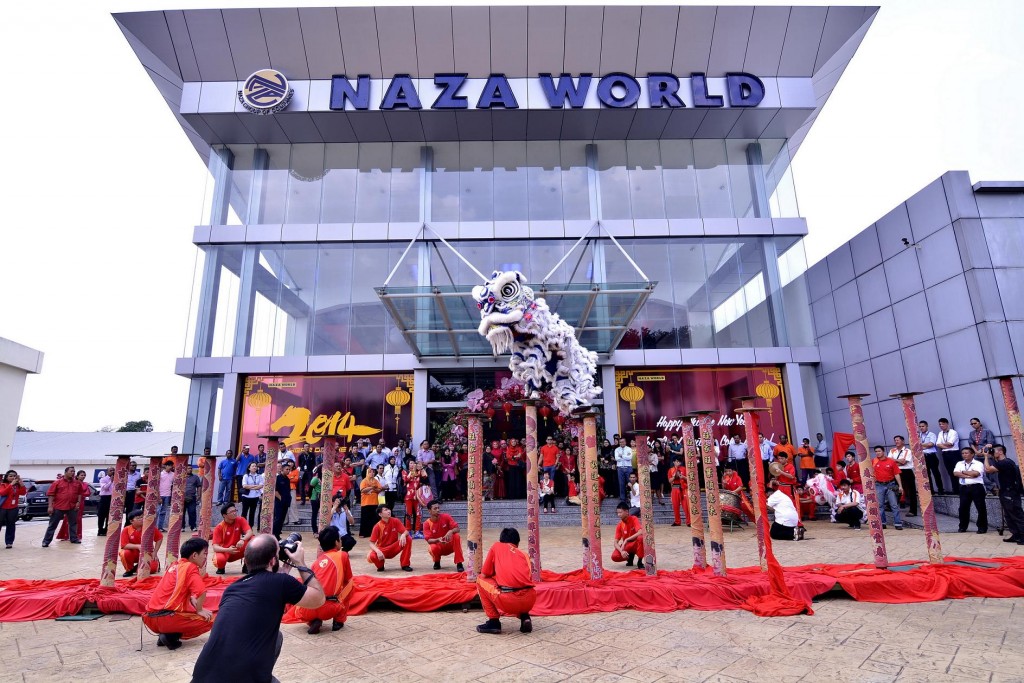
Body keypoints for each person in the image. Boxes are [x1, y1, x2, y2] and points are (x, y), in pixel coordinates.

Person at [191, 534, 325, 683]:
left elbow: (261, 595)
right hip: (241, 677)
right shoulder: (280, 582)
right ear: (273, 560)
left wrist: (279, 581)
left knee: (276, 637)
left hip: (202, 676)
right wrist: (300, 563)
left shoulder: (232, 588)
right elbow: (319, 598)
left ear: (247, 561)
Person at [142, 537, 213, 650]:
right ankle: (170, 635)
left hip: (150, 619)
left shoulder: (174, 565)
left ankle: (166, 634)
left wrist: (191, 598)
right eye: (204, 553)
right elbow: (202, 592)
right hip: (168, 619)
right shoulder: (190, 567)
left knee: (188, 611)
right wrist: (200, 610)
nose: (205, 557)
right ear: (194, 555)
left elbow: (177, 587)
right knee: (212, 618)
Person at [292, 525, 353, 634]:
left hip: (307, 609)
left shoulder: (316, 562)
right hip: (330, 608)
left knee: (301, 607)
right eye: (339, 538)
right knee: (351, 585)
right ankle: (338, 621)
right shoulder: (342, 555)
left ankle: (313, 621)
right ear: (336, 542)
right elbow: (348, 580)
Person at [476, 528, 536, 635]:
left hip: (508, 601)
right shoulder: (524, 555)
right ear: (517, 543)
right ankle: (525, 617)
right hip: (530, 600)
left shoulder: (496, 546)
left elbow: (485, 574)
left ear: (501, 540)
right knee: (520, 586)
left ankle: (493, 621)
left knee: (480, 579)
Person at [984, 445, 1024, 544]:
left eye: (994, 451)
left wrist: (985, 456)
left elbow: (988, 469)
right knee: (1008, 515)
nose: (992, 453)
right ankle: (1016, 535)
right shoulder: (1004, 462)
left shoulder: (1005, 463)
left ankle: (1022, 536)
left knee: (1016, 514)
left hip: (1010, 492)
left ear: (1001, 452)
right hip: (1006, 491)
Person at [42, 466, 82, 547]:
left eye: (74, 471)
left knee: (73, 523)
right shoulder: (57, 482)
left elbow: (80, 493)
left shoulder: (77, 483)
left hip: (72, 506)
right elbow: (51, 494)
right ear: (66, 472)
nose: (73, 473)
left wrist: (78, 502)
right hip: (59, 506)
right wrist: (50, 506)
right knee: (53, 524)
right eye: (71, 471)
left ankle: (74, 538)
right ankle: (46, 541)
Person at [367, 505, 413, 572]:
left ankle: (405, 564)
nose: (389, 511)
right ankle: (380, 565)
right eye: (385, 510)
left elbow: (406, 531)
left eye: (389, 509)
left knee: (408, 538)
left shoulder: (395, 521)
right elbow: (371, 543)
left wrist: (403, 534)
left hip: (394, 547)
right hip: (383, 550)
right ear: (380, 514)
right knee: (372, 556)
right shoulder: (377, 526)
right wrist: (378, 551)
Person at [422, 500, 465, 571]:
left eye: (438, 508)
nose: (438, 510)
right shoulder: (426, 524)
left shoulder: (446, 517)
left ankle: (459, 563)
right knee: (432, 547)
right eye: (435, 509)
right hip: (439, 546)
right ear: (429, 511)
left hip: (450, 544)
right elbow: (429, 540)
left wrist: (451, 531)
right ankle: (437, 561)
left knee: (456, 536)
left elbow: (457, 529)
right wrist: (438, 540)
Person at [211, 503, 254, 574]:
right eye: (231, 512)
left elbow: (249, 532)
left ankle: (246, 566)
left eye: (235, 510)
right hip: (225, 551)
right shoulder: (219, 527)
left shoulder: (240, 520)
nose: (234, 513)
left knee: (254, 540)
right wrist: (227, 550)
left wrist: (242, 539)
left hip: (237, 548)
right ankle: (221, 567)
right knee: (219, 560)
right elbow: (215, 547)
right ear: (224, 515)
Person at [119, 509, 164, 576]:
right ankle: (129, 570)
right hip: (133, 553)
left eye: (142, 517)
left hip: (148, 553)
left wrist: (155, 552)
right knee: (125, 553)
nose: (141, 519)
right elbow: (124, 545)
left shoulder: (149, 528)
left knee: (150, 570)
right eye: (138, 518)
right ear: (131, 521)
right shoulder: (126, 530)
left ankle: (138, 567)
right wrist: (138, 546)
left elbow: (159, 538)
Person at [954, 446, 987, 534]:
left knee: (980, 508)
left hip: (976, 487)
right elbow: (956, 473)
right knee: (963, 508)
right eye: (963, 453)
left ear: (972, 454)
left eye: (966, 453)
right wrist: (969, 474)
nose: (964, 455)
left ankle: (982, 527)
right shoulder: (959, 463)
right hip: (964, 487)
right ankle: (962, 526)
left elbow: (976, 474)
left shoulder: (978, 463)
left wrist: (963, 472)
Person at [873, 445, 904, 530]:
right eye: (876, 451)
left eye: (879, 451)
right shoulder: (874, 461)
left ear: (883, 452)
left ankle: (898, 523)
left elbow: (897, 474)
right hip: (879, 485)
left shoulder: (891, 461)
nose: (877, 453)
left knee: (894, 505)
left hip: (891, 484)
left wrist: (900, 486)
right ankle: (883, 523)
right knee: (880, 505)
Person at [56, 470, 89, 541]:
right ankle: (65, 535)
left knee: (78, 519)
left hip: (81, 503)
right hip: (72, 502)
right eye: (81, 475)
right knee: (68, 518)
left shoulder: (85, 484)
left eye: (84, 475)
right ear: (77, 476)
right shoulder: (74, 483)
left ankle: (76, 535)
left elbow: (87, 493)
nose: (83, 476)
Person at [889, 435, 917, 517]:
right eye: (895, 440)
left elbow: (904, 462)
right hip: (896, 471)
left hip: (907, 471)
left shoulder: (907, 451)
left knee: (911, 491)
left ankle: (913, 510)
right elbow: (889, 461)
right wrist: (898, 461)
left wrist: (895, 461)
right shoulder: (892, 450)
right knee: (894, 489)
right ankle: (892, 507)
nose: (896, 442)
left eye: (898, 440)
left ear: (903, 441)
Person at [611, 502, 645, 568]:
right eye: (617, 513)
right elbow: (615, 543)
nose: (618, 515)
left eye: (620, 512)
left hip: (636, 543)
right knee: (614, 556)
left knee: (641, 538)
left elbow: (641, 532)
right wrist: (621, 551)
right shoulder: (619, 525)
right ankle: (630, 557)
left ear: (626, 512)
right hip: (627, 545)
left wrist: (626, 539)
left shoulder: (634, 518)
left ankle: (640, 561)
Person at [0, 470, 28, 548]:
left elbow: (23, 492)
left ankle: (9, 542)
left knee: (11, 525)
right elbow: (2, 493)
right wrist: (11, 485)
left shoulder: (17, 486)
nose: (12, 477)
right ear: (6, 477)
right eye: (10, 476)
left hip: (13, 508)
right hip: (2, 508)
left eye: (14, 476)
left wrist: (20, 481)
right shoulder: (3, 484)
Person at [936, 418, 961, 494]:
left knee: (958, 471)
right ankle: (955, 489)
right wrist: (946, 446)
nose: (941, 426)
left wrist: (943, 445)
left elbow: (950, 443)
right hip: (945, 454)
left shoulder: (953, 432)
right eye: (940, 424)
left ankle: (961, 489)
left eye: (943, 424)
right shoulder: (940, 433)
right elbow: (937, 444)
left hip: (954, 453)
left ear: (947, 424)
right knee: (950, 472)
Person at [918, 421, 943, 494]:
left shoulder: (931, 434)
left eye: (923, 426)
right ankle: (931, 491)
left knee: (936, 473)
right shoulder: (918, 435)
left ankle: (940, 490)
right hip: (923, 457)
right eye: (920, 426)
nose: (921, 428)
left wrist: (921, 445)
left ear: (927, 426)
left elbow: (931, 444)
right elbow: (916, 446)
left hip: (931, 456)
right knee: (927, 474)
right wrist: (924, 445)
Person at [359, 466, 383, 537]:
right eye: (370, 472)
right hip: (365, 502)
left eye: (373, 472)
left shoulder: (376, 481)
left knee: (374, 519)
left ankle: (373, 533)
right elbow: (362, 490)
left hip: (374, 502)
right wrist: (372, 488)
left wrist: (372, 489)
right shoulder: (364, 481)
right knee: (365, 518)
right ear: (367, 473)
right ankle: (363, 533)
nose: (372, 473)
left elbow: (379, 489)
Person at [667, 456, 690, 526]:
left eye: (679, 461)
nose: (678, 463)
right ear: (673, 462)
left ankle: (689, 521)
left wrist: (683, 477)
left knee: (685, 506)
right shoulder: (671, 470)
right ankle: (677, 521)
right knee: (675, 506)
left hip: (683, 488)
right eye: (676, 461)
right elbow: (669, 481)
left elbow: (689, 479)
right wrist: (674, 477)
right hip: (674, 488)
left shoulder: (684, 469)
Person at [273, 461, 294, 538]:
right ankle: (274, 534)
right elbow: (275, 491)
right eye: (287, 469)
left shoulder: (287, 479)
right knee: (278, 518)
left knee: (282, 519)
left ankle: (278, 534)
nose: (288, 471)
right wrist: (281, 499)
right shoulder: (278, 478)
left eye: (289, 469)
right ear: (282, 469)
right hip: (279, 502)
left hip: (286, 502)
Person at [240, 461, 263, 528]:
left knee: (252, 513)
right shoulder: (246, 475)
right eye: (253, 466)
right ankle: (243, 527)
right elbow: (244, 486)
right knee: (244, 512)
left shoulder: (259, 476)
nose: (254, 467)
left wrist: (250, 486)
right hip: (246, 497)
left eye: (255, 466)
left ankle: (250, 527)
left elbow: (261, 486)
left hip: (255, 497)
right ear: (249, 468)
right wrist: (255, 486)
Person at [403, 462, 422, 533]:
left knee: (418, 514)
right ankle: (408, 531)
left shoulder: (419, 472)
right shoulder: (405, 471)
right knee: (409, 514)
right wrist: (412, 471)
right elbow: (406, 479)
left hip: (417, 497)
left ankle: (417, 531)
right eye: (410, 463)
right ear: (408, 464)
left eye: (413, 463)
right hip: (408, 497)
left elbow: (425, 476)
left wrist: (421, 468)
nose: (412, 464)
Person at [614, 437, 633, 505]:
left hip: (628, 467)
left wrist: (621, 455)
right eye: (620, 442)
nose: (622, 443)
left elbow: (630, 458)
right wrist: (625, 456)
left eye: (623, 442)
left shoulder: (629, 449)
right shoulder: (616, 449)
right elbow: (617, 459)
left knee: (630, 483)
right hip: (620, 468)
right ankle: (622, 499)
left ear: (625, 442)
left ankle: (632, 497)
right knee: (621, 484)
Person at [157, 460, 175, 532]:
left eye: (171, 466)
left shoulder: (173, 474)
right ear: (165, 466)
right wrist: (158, 496)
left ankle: (160, 527)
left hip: (167, 495)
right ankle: (155, 527)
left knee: (163, 512)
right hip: (160, 494)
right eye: (169, 465)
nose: (170, 467)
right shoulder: (160, 474)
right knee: (157, 511)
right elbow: (157, 486)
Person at [184, 465, 202, 532]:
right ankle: (182, 527)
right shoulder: (182, 477)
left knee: (192, 512)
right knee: (182, 513)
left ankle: (193, 526)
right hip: (182, 498)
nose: (190, 469)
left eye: (191, 468)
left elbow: (199, 486)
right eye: (188, 468)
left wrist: (199, 495)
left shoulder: (195, 477)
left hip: (192, 497)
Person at [97, 467, 114, 536]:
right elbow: (104, 488)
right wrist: (111, 481)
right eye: (111, 470)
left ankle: (107, 530)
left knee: (109, 515)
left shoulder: (117, 479)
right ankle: (100, 530)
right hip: (104, 498)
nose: (112, 471)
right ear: (107, 472)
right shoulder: (103, 479)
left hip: (112, 498)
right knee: (101, 515)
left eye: (113, 470)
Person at [309, 467, 322, 537]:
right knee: (314, 514)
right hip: (315, 498)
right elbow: (310, 488)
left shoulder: (326, 478)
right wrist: (309, 497)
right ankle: (315, 531)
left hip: (324, 498)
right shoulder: (315, 479)